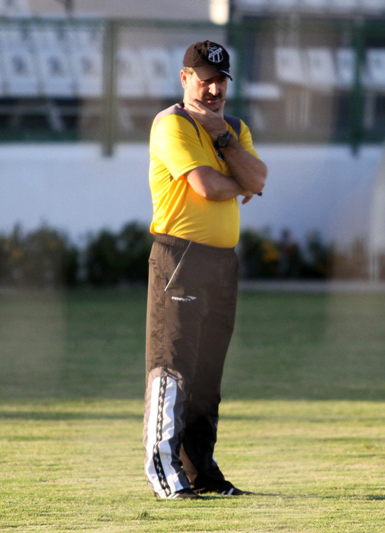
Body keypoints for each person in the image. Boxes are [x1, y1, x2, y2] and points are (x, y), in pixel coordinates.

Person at [142, 40, 267, 500]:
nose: (213, 89)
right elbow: (209, 186)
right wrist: (241, 180)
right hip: (181, 257)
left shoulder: (234, 128)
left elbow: (260, 179)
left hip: (221, 263)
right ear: (184, 78)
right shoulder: (170, 123)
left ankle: (200, 472)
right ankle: (164, 471)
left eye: (220, 81)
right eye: (204, 79)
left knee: (207, 373)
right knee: (173, 366)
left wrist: (224, 140)